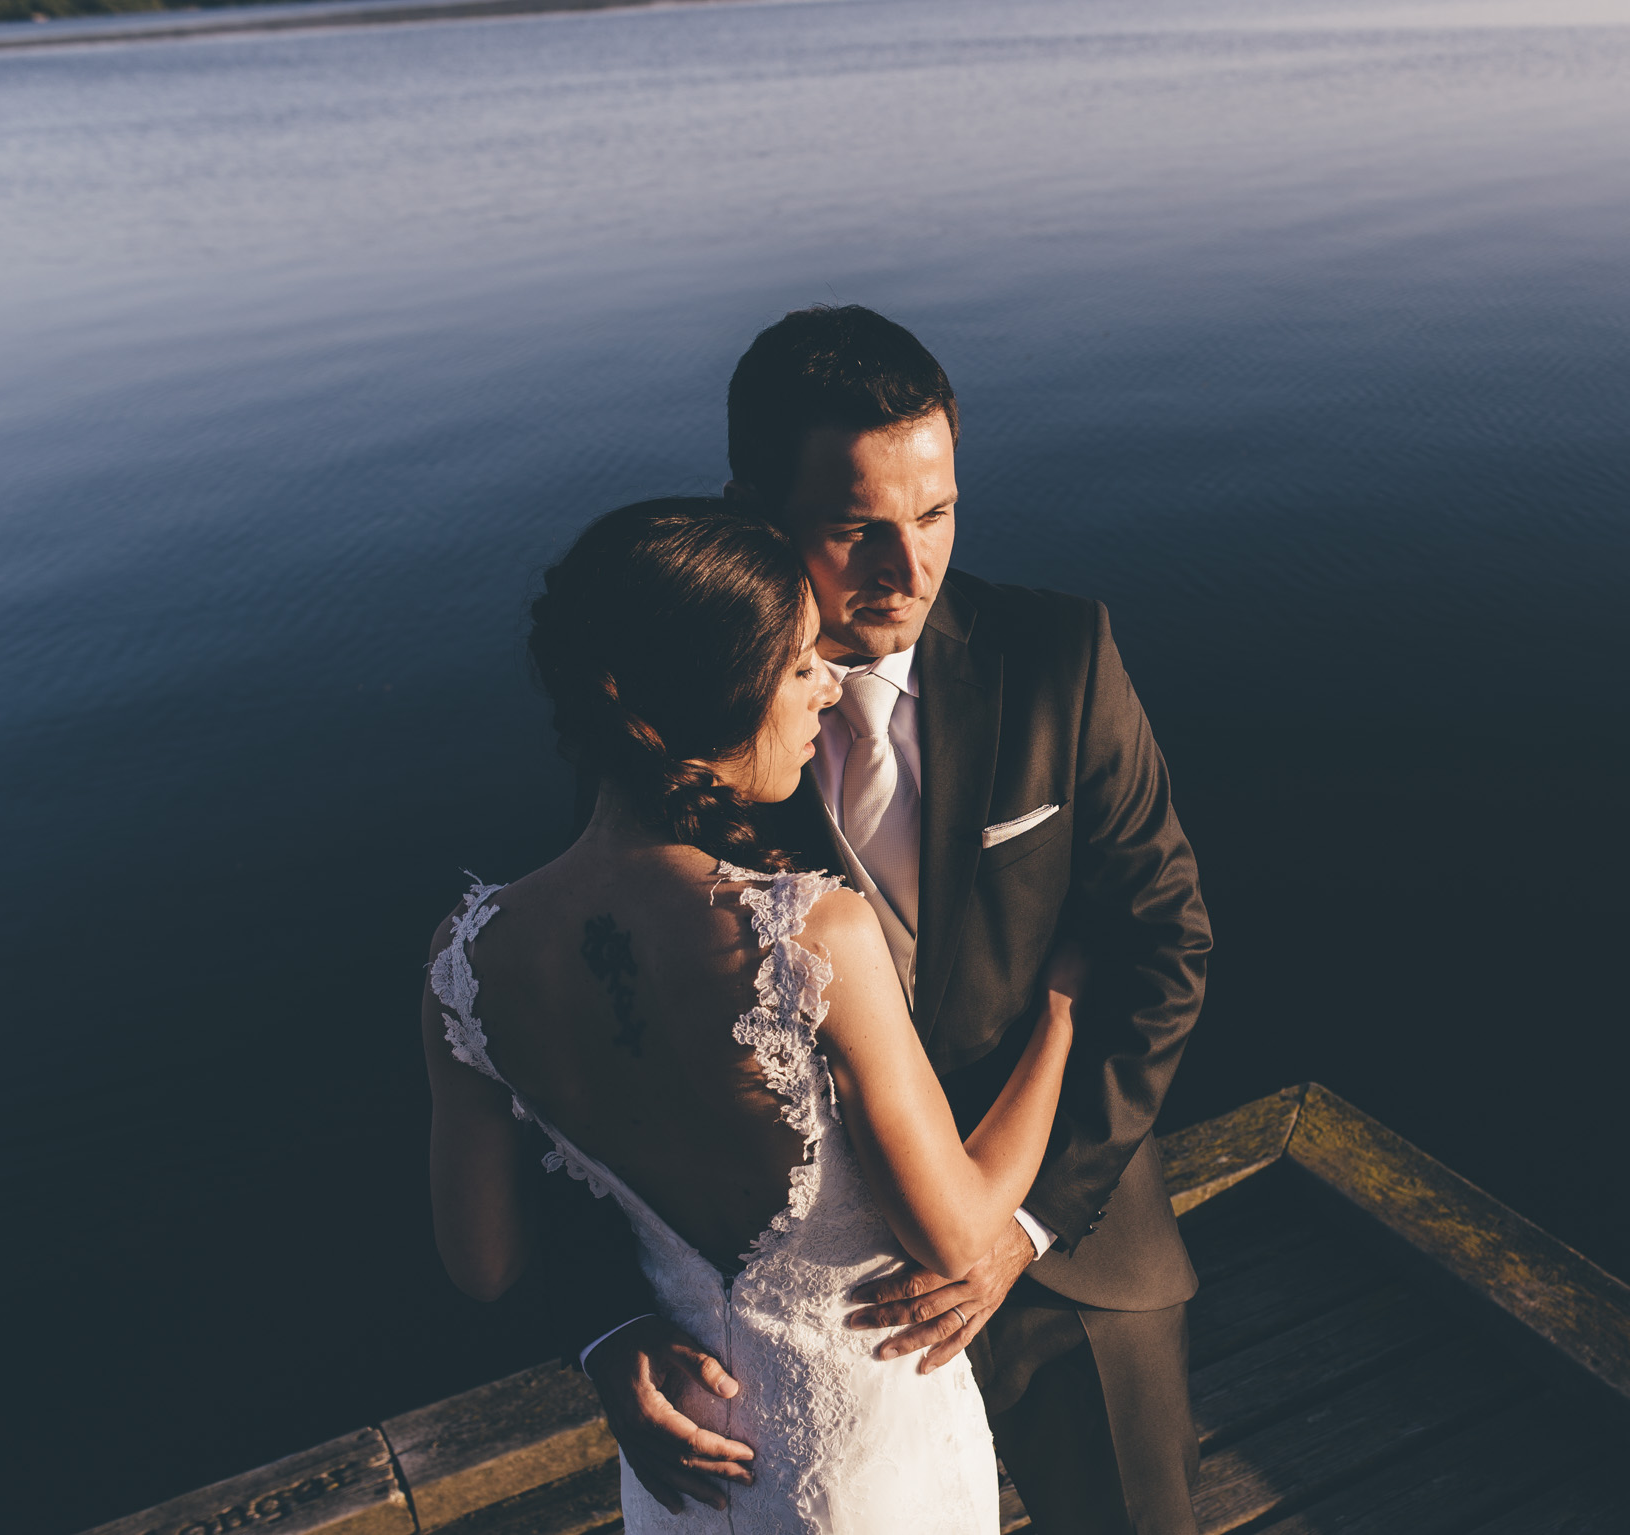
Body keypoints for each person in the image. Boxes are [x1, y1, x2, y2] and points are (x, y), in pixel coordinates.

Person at [577, 306, 1213, 1535]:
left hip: (1065, 1255)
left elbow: (1166, 944)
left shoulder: (1058, 658)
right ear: (754, 513)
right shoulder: (680, 721)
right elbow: (586, 1029)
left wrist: (1021, 1226)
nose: (908, 567)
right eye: (855, 527)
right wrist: (607, 1326)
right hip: (802, 1335)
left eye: (934, 515)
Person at [422, 500, 1084, 1532]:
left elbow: (483, 1262)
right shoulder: (808, 936)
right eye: (796, 666)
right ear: (712, 698)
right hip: (864, 1462)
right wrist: (1059, 1021)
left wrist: (617, 1329)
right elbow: (955, 1231)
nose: (829, 683)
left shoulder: (464, 959)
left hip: (687, 1467)